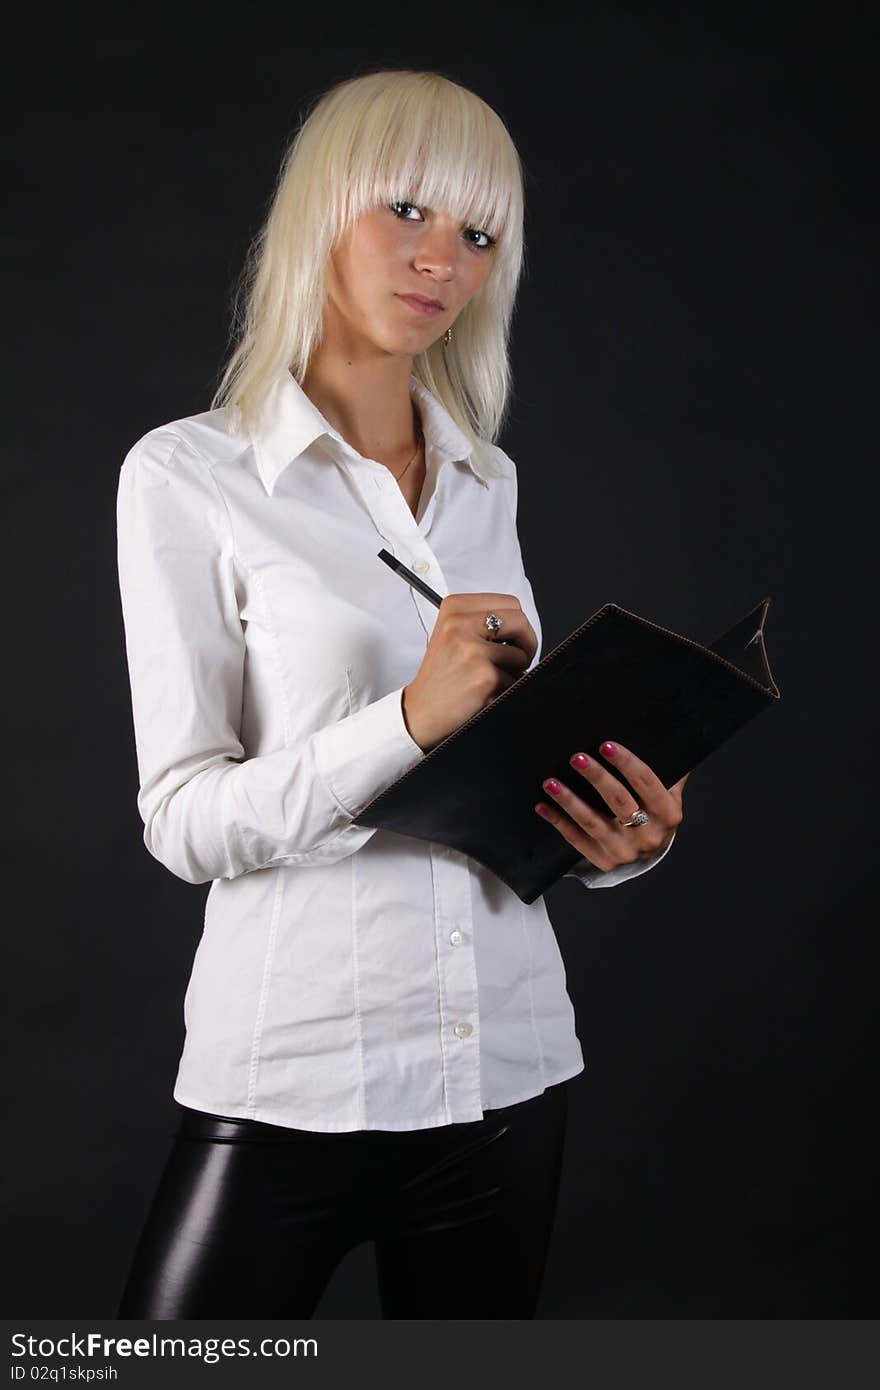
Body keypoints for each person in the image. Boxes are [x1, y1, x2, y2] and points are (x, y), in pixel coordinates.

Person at [114, 67, 687, 1320]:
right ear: (323, 207)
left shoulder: (487, 481)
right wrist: (406, 720)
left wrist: (615, 841)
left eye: (479, 235)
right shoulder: (188, 475)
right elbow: (185, 823)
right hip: (288, 1076)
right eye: (410, 211)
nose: (443, 259)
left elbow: (501, 777)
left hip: (507, 1063)